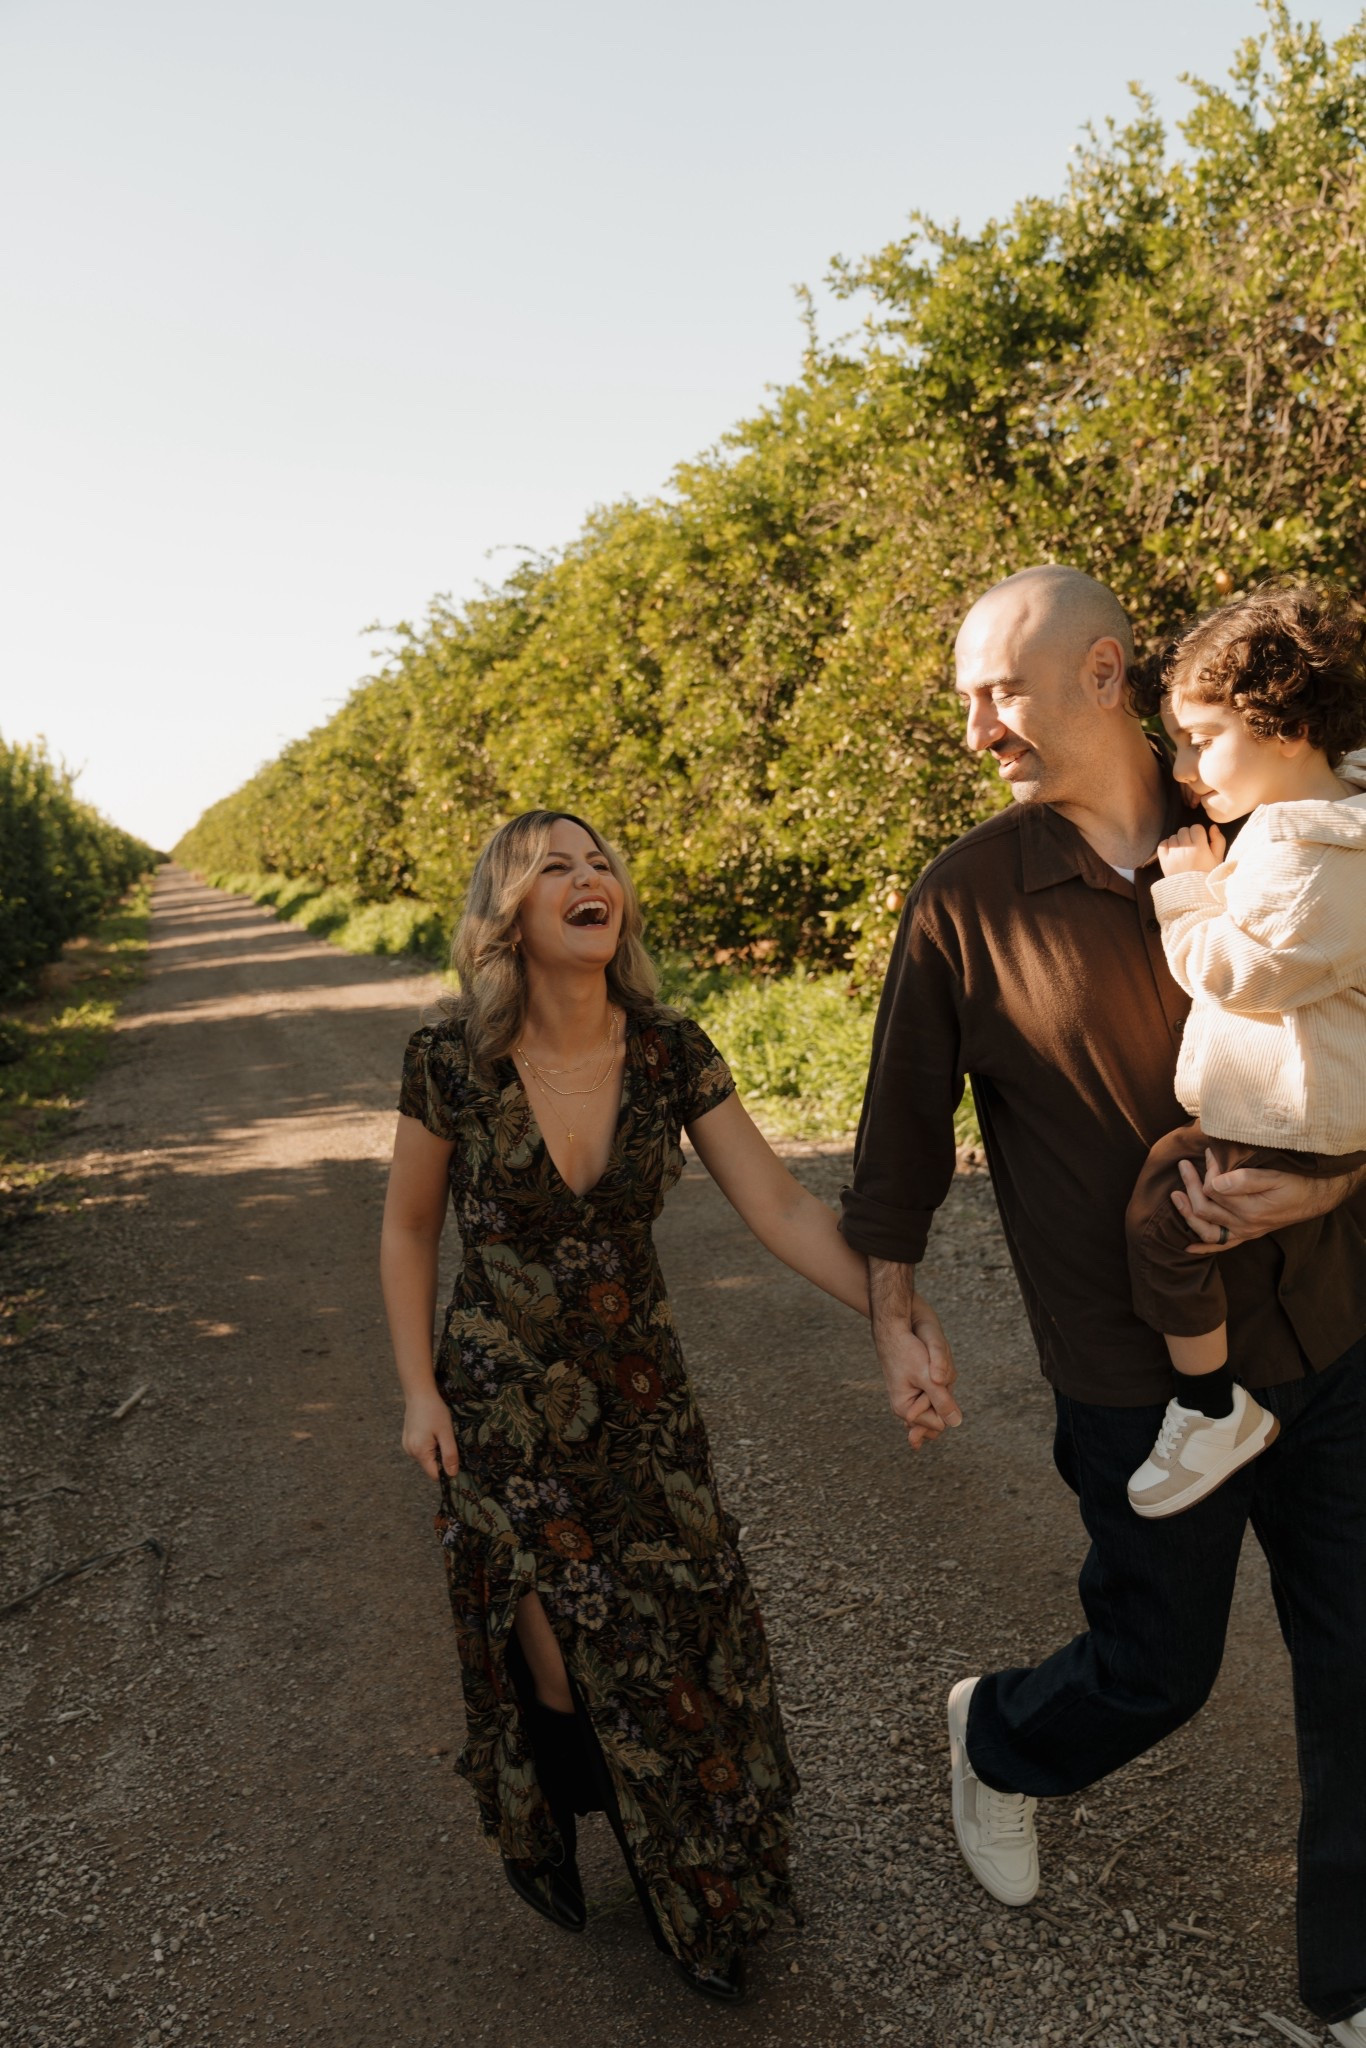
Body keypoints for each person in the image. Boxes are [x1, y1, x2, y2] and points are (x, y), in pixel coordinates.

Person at [838, 565, 1366, 2041]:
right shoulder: (964, 899)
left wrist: (1328, 1187)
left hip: (1328, 1328)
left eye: (999, 689)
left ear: (1103, 673)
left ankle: (1350, 1988)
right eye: (961, 702)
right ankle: (998, 1739)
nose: (977, 727)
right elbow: (892, 1146)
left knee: (1356, 1663)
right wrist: (893, 1309)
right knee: (1158, 1670)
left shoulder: (1286, 830)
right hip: (1140, 1375)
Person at [380, 808, 869, 2005]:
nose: (589, 877)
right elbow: (405, 1226)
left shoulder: (669, 1050)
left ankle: (700, 1878)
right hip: (499, 1405)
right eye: (555, 867)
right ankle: (597, 1834)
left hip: (644, 1402)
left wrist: (895, 1312)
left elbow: (785, 1209)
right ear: (509, 912)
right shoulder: (449, 1061)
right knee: (561, 1654)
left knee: (684, 1636)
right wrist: (415, 1389)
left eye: (600, 862)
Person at [1124, 586, 1366, 1518]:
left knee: (1163, 1212)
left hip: (1299, 1117)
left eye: (1201, 737)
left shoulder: (1318, 855)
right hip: (1309, 1108)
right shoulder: (1313, 823)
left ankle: (1210, 1406)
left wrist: (1187, 891)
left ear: (1291, 726)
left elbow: (1240, 971)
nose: (1181, 766)